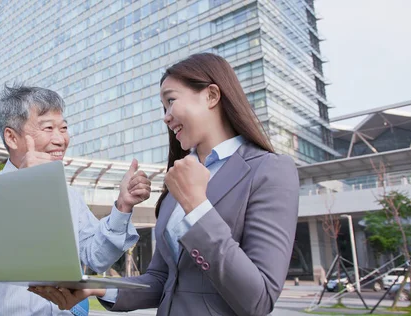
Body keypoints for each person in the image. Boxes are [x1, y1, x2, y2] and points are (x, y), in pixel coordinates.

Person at [31, 53, 300, 316]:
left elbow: (259, 299)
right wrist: (97, 287)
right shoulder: (178, 178)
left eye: (171, 101)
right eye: (164, 107)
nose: (166, 116)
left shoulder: (269, 170)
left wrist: (197, 206)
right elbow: (162, 280)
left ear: (212, 96)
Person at [0, 85, 152, 315]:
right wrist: (15, 191)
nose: (61, 139)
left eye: (63, 128)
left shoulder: (70, 197)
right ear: (11, 137)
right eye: (48, 128)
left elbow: (96, 257)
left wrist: (122, 206)